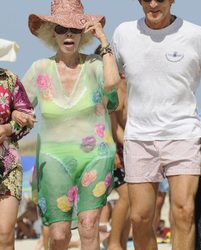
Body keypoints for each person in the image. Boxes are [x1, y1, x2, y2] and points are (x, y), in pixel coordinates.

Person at [111, 1, 201, 249]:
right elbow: (113, 83)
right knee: (140, 217)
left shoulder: (195, 35)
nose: (153, 4)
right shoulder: (123, 33)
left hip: (183, 134)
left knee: (184, 212)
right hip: (139, 138)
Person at [13, 0, 120, 249]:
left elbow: (113, 83)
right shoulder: (40, 69)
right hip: (53, 160)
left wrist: (103, 41)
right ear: (53, 33)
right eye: (61, 28)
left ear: (83, 34)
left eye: (75, 29)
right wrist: (20, 116)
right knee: (59, 234)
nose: (68, 33)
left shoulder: (95, 66)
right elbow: (19, 106)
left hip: (96, 156)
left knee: (89, 225)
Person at [0, 38, 35, 250]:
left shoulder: (9, 79)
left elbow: (29, 117)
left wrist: (8, 127)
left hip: (8, 166)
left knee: (5, 232)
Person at [108, 78, 131, 250]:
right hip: (115, 148)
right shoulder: (112, 93)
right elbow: (114, 128)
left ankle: (121, 242)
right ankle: (114, 243)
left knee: (132, 199)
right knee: (126, 196)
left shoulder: (131, 90)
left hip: (128, 148)